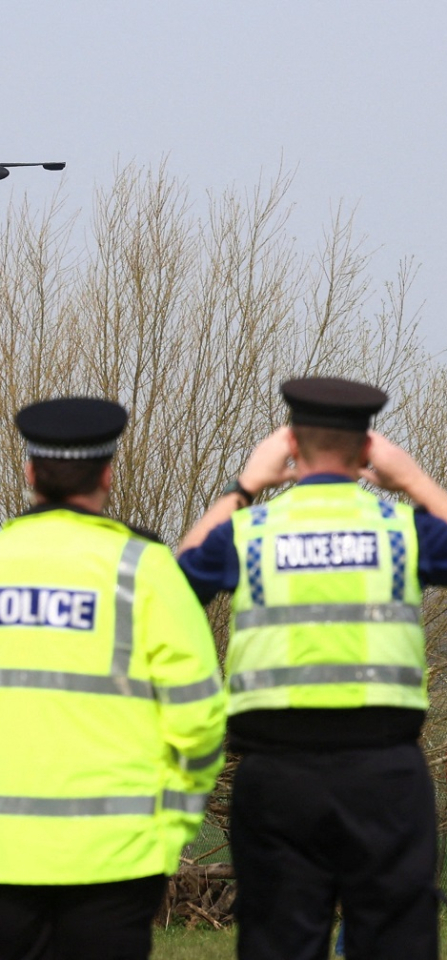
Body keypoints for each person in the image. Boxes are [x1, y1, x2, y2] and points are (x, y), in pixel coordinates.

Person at [0, 397, 227, 960]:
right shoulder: (147, 572)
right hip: (118, 856)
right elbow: (200, 726)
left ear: (29, 474)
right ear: (107, 474)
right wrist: (171, 828)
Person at [177, 377, 447, 960]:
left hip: (276, 780)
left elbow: (168, 585)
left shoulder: (251, 534)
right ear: (369, 450)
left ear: (290, 446)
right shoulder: (400, 531)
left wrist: (244, 485)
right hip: (386, 777)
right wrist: (416, 482)